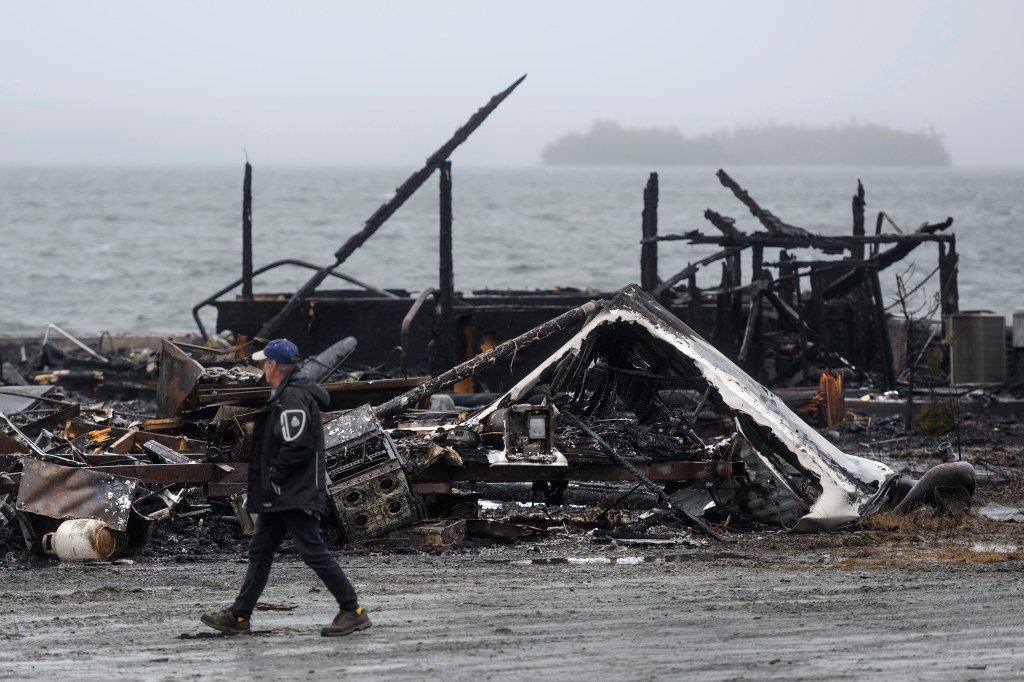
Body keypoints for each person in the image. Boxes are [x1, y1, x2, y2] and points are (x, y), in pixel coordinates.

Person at [201, 338, 371, 637]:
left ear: (274, 365)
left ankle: (352, 610)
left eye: (265, 362)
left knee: (312, 551)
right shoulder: (286, 394)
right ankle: (239, 616)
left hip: (292, 491)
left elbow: (296, 447)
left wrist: (274, 479)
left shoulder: (293, 397)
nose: (262, 367)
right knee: (260, 550)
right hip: (282, 492)